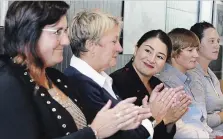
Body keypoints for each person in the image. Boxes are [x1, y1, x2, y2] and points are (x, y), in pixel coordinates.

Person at [0, 1, 144, 139]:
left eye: (65, 31)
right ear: (28, 33)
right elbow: (91, 131)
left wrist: (118, 122)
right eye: (57, 32)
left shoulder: (57, 77)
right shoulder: (9, 84)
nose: (66, 41)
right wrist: (94, 132)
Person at [64, 10, 174, 139]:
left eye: (160, 56)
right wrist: (152, 116)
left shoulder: (102, 80)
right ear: (91, 46)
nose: (120, 48)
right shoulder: (80, 84)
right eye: (114, 41)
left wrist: (146, 113)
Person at [110, 29, 192, 139]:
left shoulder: (158, 84)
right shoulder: (116, 82)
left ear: (164, 63)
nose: (151, 59)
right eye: (148, 51)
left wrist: (172, 121)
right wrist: (164, 120)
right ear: (136, 49)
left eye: (160, 57)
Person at [157, 28, 213, 138]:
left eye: (197, 50)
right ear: (173, 52)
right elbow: (178, 130)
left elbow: (202, 121)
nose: (196, 55)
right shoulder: (165, 83)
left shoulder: (192, 78)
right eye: (190, 50)